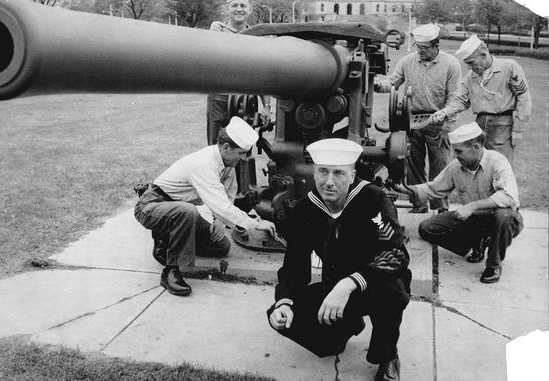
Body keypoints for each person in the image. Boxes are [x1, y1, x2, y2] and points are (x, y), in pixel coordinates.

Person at [267, 138, 411, 381]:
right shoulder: (306, 208)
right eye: (323, 172)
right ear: (314, 172)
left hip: (374, 282)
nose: (329, 181)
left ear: (353, 174)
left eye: (338, 173)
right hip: (335, 287)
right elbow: (294, 264)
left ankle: (387, 355)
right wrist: (284, 302)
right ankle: (347, 325)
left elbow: (395, 253)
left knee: (392, 292)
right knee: (281, 318)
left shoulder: (373, 200)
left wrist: (349, 283)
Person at [135, 116, 276, 296]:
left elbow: (227, 196)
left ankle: (168, 239)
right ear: (226, 148)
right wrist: (255, 223)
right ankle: (171, 271)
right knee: (188, 211)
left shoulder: (227, 163)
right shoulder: (204, 164)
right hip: (152, 205)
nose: (242, 158)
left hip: (176, 209)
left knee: (221, 246)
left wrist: (218, 220)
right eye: (241, 153)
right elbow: (220, 205)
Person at [391, 122, 523, 283]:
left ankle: (493, 265)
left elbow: (509, 197)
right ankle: (477, 243)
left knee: (504, 216)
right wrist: (404, 189)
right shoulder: (456, 166)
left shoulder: (497, 161)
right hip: (474, 219)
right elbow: (434, 188)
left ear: (476, 147)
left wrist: (472, 206)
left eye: (459, 151)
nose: (455, 155)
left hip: (500, 218)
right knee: (427, 228)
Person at [374, 23, 461, 214]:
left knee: (440, 165)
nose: (419, 51)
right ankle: (418, 202)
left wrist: (445, 119)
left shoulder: (451, 64)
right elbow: (393, 81)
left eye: (424, 48)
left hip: (439, 122)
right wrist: (380, 85)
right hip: (411, 120)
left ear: (436, 45)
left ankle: (441, 208)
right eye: (417, 47)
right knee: (413, 163)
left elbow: (455, 98)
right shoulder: (408, 61)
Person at [431, 34, 532, 163]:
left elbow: (523, 97)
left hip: (502, 125)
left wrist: (518, 129)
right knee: (479, 163)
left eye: (471, 62)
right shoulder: (470, 76)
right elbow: (461, 100)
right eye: (467, 63)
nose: (469, 67)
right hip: (479, 123)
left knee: (500, 164)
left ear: (483, 54)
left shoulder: (509, 67)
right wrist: (445, 112)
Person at [206, 0, 271, 145]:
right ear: (227, 9)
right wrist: (211, 37)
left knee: (243, 151)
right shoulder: (217, 31)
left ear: (250, 10)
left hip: (246, 104)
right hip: (220, 101)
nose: (239, 9)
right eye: (234, 5)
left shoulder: (257, 38)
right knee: (216, 149)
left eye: (243, 5)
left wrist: (266, 107)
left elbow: (262, 75)